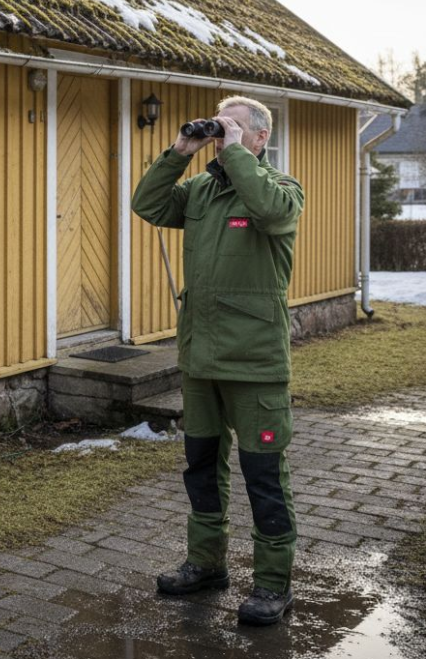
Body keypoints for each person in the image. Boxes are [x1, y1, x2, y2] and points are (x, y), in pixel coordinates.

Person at [130, 95, 304, 626]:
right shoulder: (202, 190)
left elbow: (269, 211)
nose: (221, 133)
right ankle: (206, 564)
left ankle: (273, 584)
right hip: (200, 360)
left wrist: (233, 155)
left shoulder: (281, 190)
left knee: (263, 476)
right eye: (218, 124)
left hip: (254, 365)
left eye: (232, 126)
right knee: (202, 469)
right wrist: (181, 150)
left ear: (258, 139)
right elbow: (149, 205)